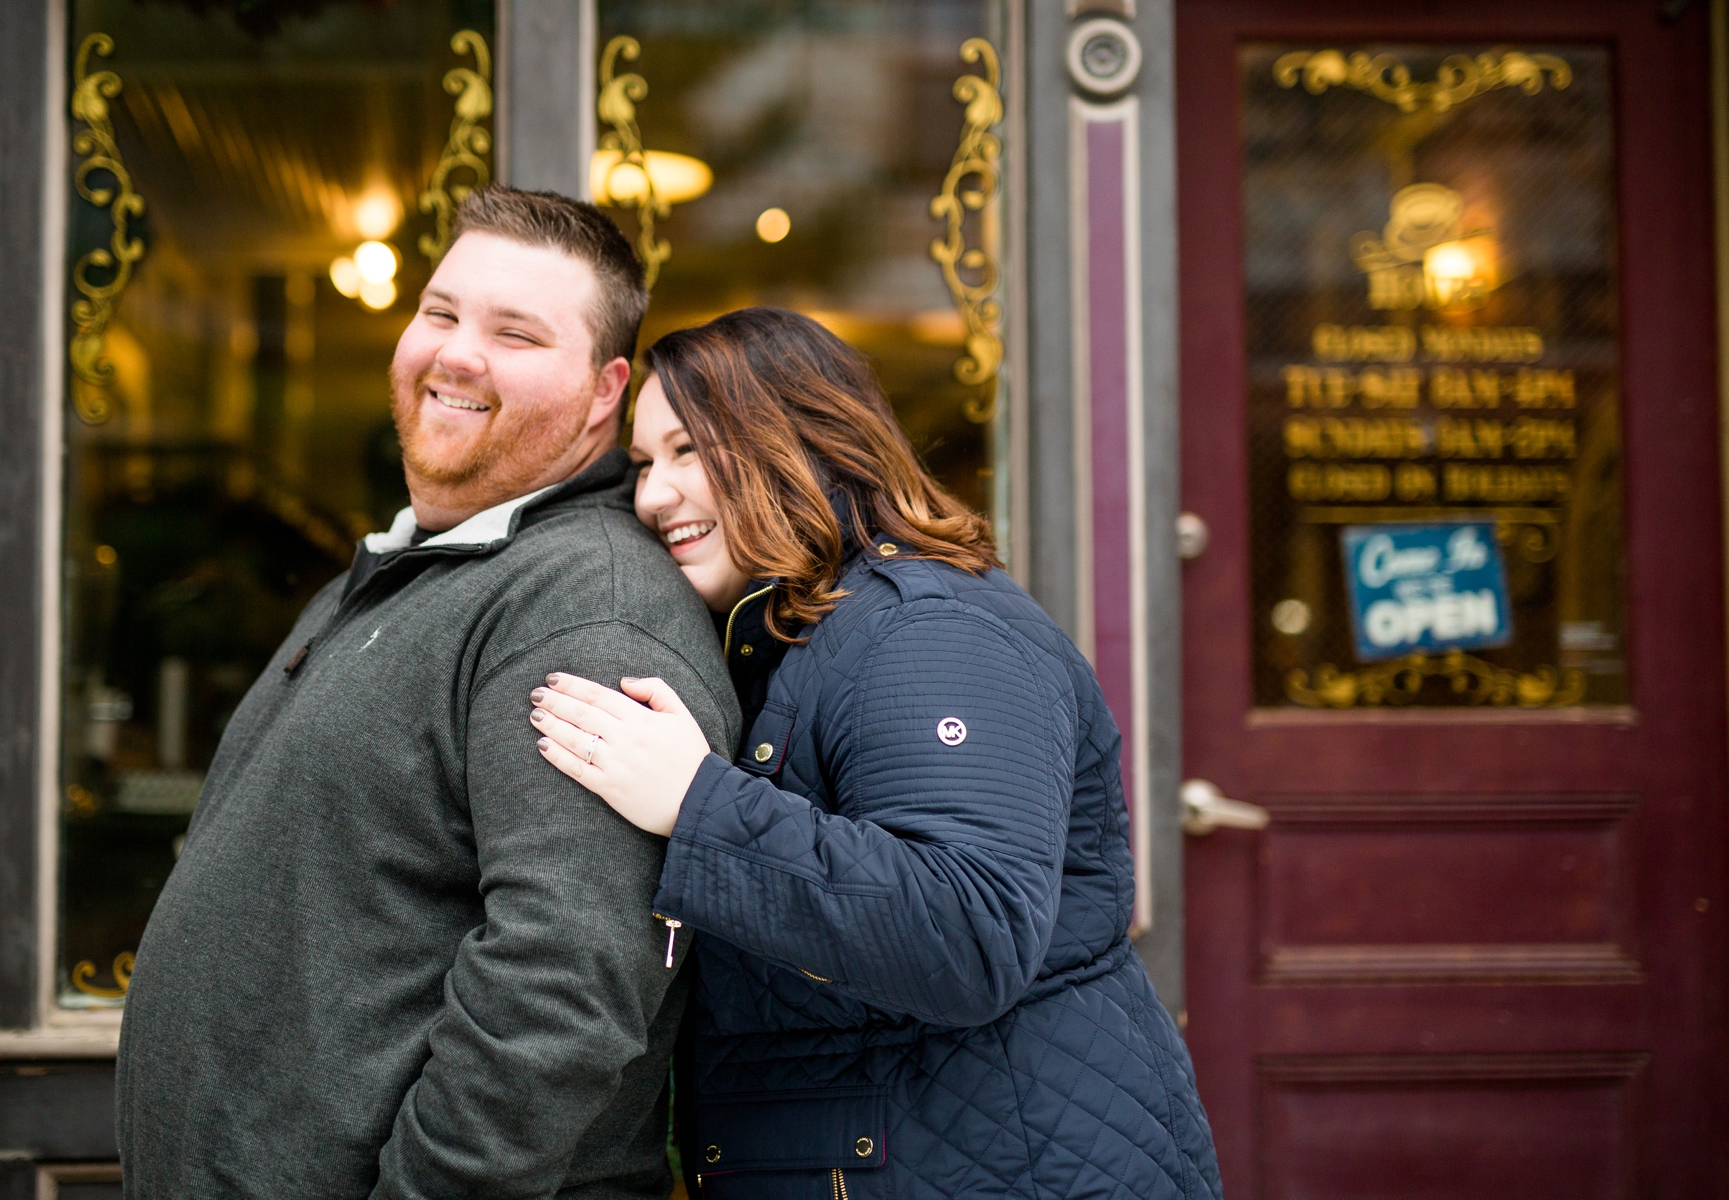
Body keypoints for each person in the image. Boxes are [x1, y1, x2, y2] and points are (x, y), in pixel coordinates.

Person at [115, 187, 740, 1199]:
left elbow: (562, 986)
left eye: (515, 333)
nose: (455, 352)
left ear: (600, 392)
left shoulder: (584, 604)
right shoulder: (419, 569)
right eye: (441, 313)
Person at [530, 308, 1223, 1200]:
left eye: (689, 451)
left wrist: (695, 805)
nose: (652, 495)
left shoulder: (925, 628)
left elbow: (972, 931)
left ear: (800, 438)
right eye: (643, 463)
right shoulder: (796, 632)